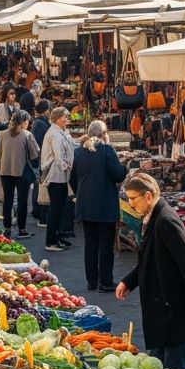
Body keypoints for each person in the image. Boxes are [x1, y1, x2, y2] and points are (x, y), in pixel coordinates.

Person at [115, 172, 185, 369]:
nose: (130, 204)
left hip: (173, 312)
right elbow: (148, 260)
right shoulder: (153, 217)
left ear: (148, 196)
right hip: (162, 312)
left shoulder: (166, 220)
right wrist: (128, 282)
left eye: (132, 198)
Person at [70, 120, 126, 292]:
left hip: (86, 205)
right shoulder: (106, 150)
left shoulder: (79, 152)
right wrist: (125, 167)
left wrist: (80, 194)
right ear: (103, 134)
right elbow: (117, 175)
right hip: (104, 205)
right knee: (105, 245)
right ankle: (105, 281)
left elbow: (73, 179)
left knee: (91, 244)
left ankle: (92, 281)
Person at [0, 111, 38, 239]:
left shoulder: (3, 134)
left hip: (5, 170)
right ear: (23, 122)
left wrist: (0, 166)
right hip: (21, 171)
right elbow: (34, 155)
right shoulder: (27, 135)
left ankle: (7, 229)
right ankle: (22, 229)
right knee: (22, 201)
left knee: (7, 200)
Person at [40, 106, 75, 252]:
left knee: (58, 208)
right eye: (64, 117)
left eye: (67, 117)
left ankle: (57, 238)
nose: (66, 120)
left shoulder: (58, 132)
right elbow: (59, 155)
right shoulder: (55, 134)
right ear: (57, 118)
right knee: (55, 208)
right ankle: (51, 242)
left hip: (58, 175)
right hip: (56, 176)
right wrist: (67, 167)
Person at [30, 100, 51, 226]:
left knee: (38, 185)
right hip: (40, 159)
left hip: (40, 159)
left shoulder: (39, 123)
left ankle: (37, 209)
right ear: (46, 111)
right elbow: (37, 144)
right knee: (39, 185)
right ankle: (37, 210)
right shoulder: (40, 124)